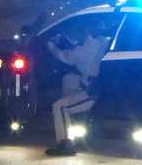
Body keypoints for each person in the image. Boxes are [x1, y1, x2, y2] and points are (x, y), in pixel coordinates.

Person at [44, 26, 110, 156]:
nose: (73, 36)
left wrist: (50, 45)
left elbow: (65, 57)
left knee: (59, 107)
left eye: (76, 32)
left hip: (92, 92)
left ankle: (65, 143)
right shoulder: (102, 41)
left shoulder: (87, 48)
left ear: (85, 31)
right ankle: (72, 131)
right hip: (93, 87)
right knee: (69, 80)